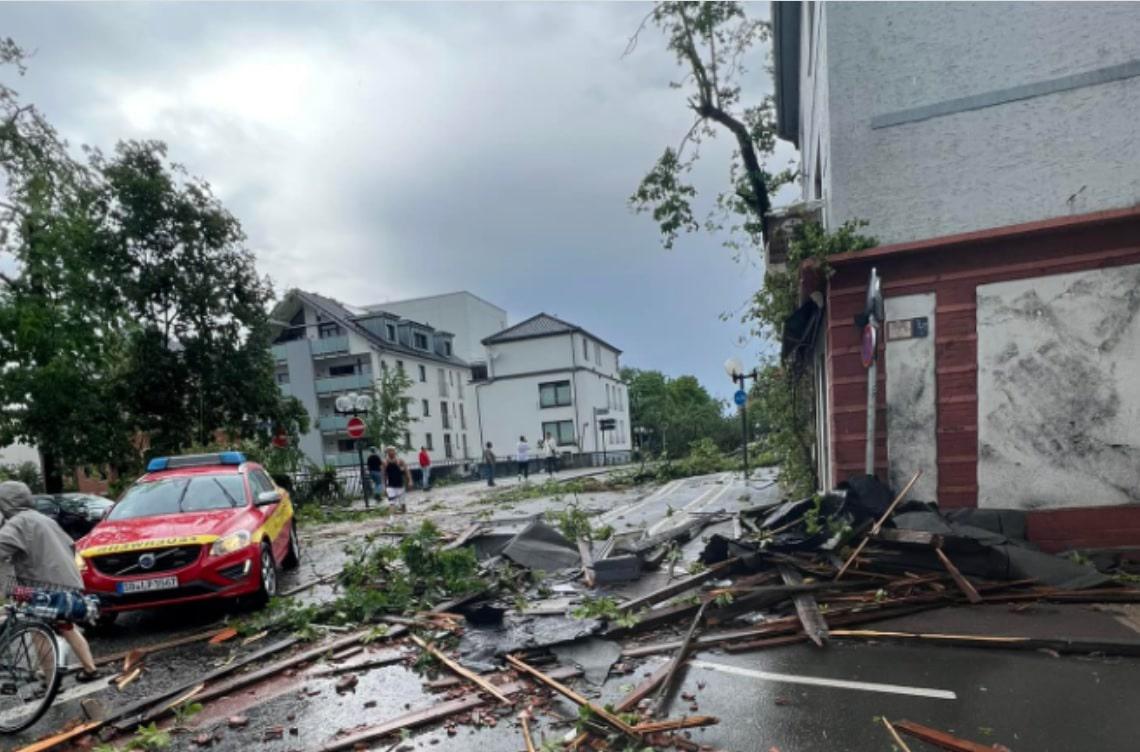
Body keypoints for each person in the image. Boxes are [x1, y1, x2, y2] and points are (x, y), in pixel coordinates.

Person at [0, 481, 100, 681]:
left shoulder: (18, 523)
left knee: (38, 631)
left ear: (6, 503)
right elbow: (70, 545)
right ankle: (90, 668)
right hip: (67, 582)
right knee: (66, 626)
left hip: (42, 585)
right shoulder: (44, 519)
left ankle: (50, 680)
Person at [381, 447, 412, 512]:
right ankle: (391, 519)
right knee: (392, 503)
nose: (391, 452)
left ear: (395, 452)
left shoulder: (400, 461)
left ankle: (404, 517)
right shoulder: (385, 462)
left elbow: (407, 471)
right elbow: (383, 475)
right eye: (389, 451)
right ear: (387, 453)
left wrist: (410, 481)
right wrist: (384, 487)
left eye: (392, 451)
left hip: (400, 485)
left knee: (403, 504)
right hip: (390, 486)